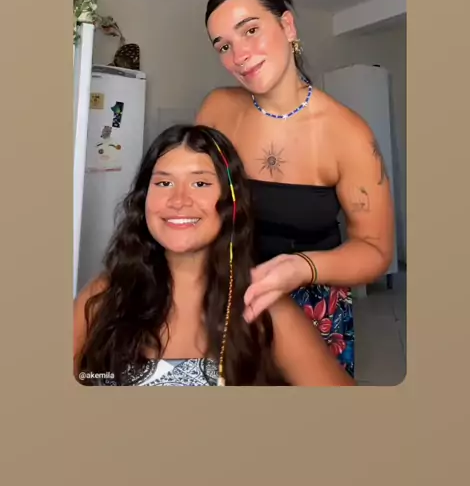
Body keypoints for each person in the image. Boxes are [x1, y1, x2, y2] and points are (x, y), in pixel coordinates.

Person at [196, 0, 396, 377]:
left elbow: (376, 251)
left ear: (287, 26)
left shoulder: (349, 135)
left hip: (313, 310)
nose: (239, 55)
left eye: (250, 30)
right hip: (227, 296)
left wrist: (300, 268)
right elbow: (194, 200)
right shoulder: (216, 109)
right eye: (224, 46)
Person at [74, 124, 355, 387]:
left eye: (200, 184)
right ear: (143, 199)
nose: (179, 200)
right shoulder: (104, 295)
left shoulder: (265, 308)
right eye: (164, 183)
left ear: (232, 202)